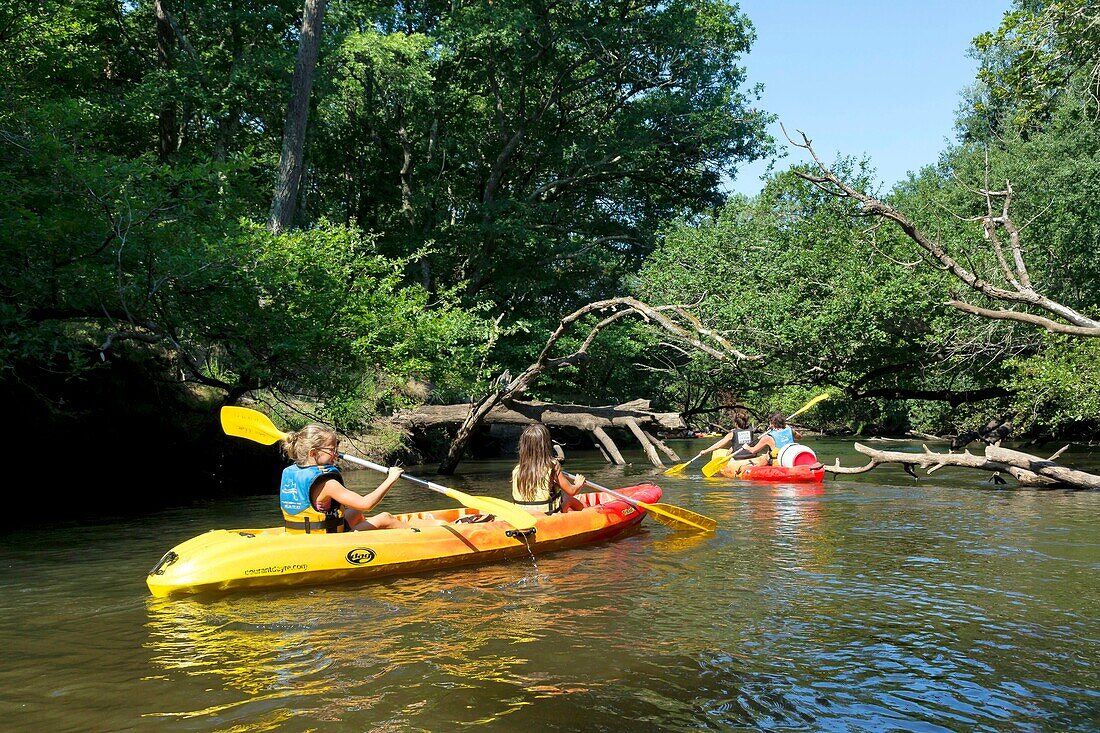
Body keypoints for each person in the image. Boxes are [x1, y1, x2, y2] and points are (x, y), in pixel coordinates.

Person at [279, 423, 443, 533]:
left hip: (304, 533)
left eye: (337, 447)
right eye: (332, 449)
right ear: (313, 453)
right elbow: (367, 504)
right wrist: (391, 479)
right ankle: (414, 536)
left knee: (354, 512)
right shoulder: (328, 483)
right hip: (326, 538)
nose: (336, 453)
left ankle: (365, 539)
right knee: (385, 517)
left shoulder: (291, 472)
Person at [512, 422, 586, 514]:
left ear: (524, 446)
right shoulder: (552, 465)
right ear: (546, 445)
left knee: (560, 495)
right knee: (569, 498)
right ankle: (588, 515)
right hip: (547, 518)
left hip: (524, 517)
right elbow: (571, 491)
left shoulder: (518, 469)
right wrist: (578, 483)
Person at [739, 411, 805, 464]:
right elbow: (800, 437)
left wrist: (746, 447)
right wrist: (786, 427)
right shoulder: (790, 430)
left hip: (778, 463)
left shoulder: (767, 437)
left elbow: (753, 451)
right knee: (767, 454)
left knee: (766, 457)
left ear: (772, 423)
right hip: (791, 459)